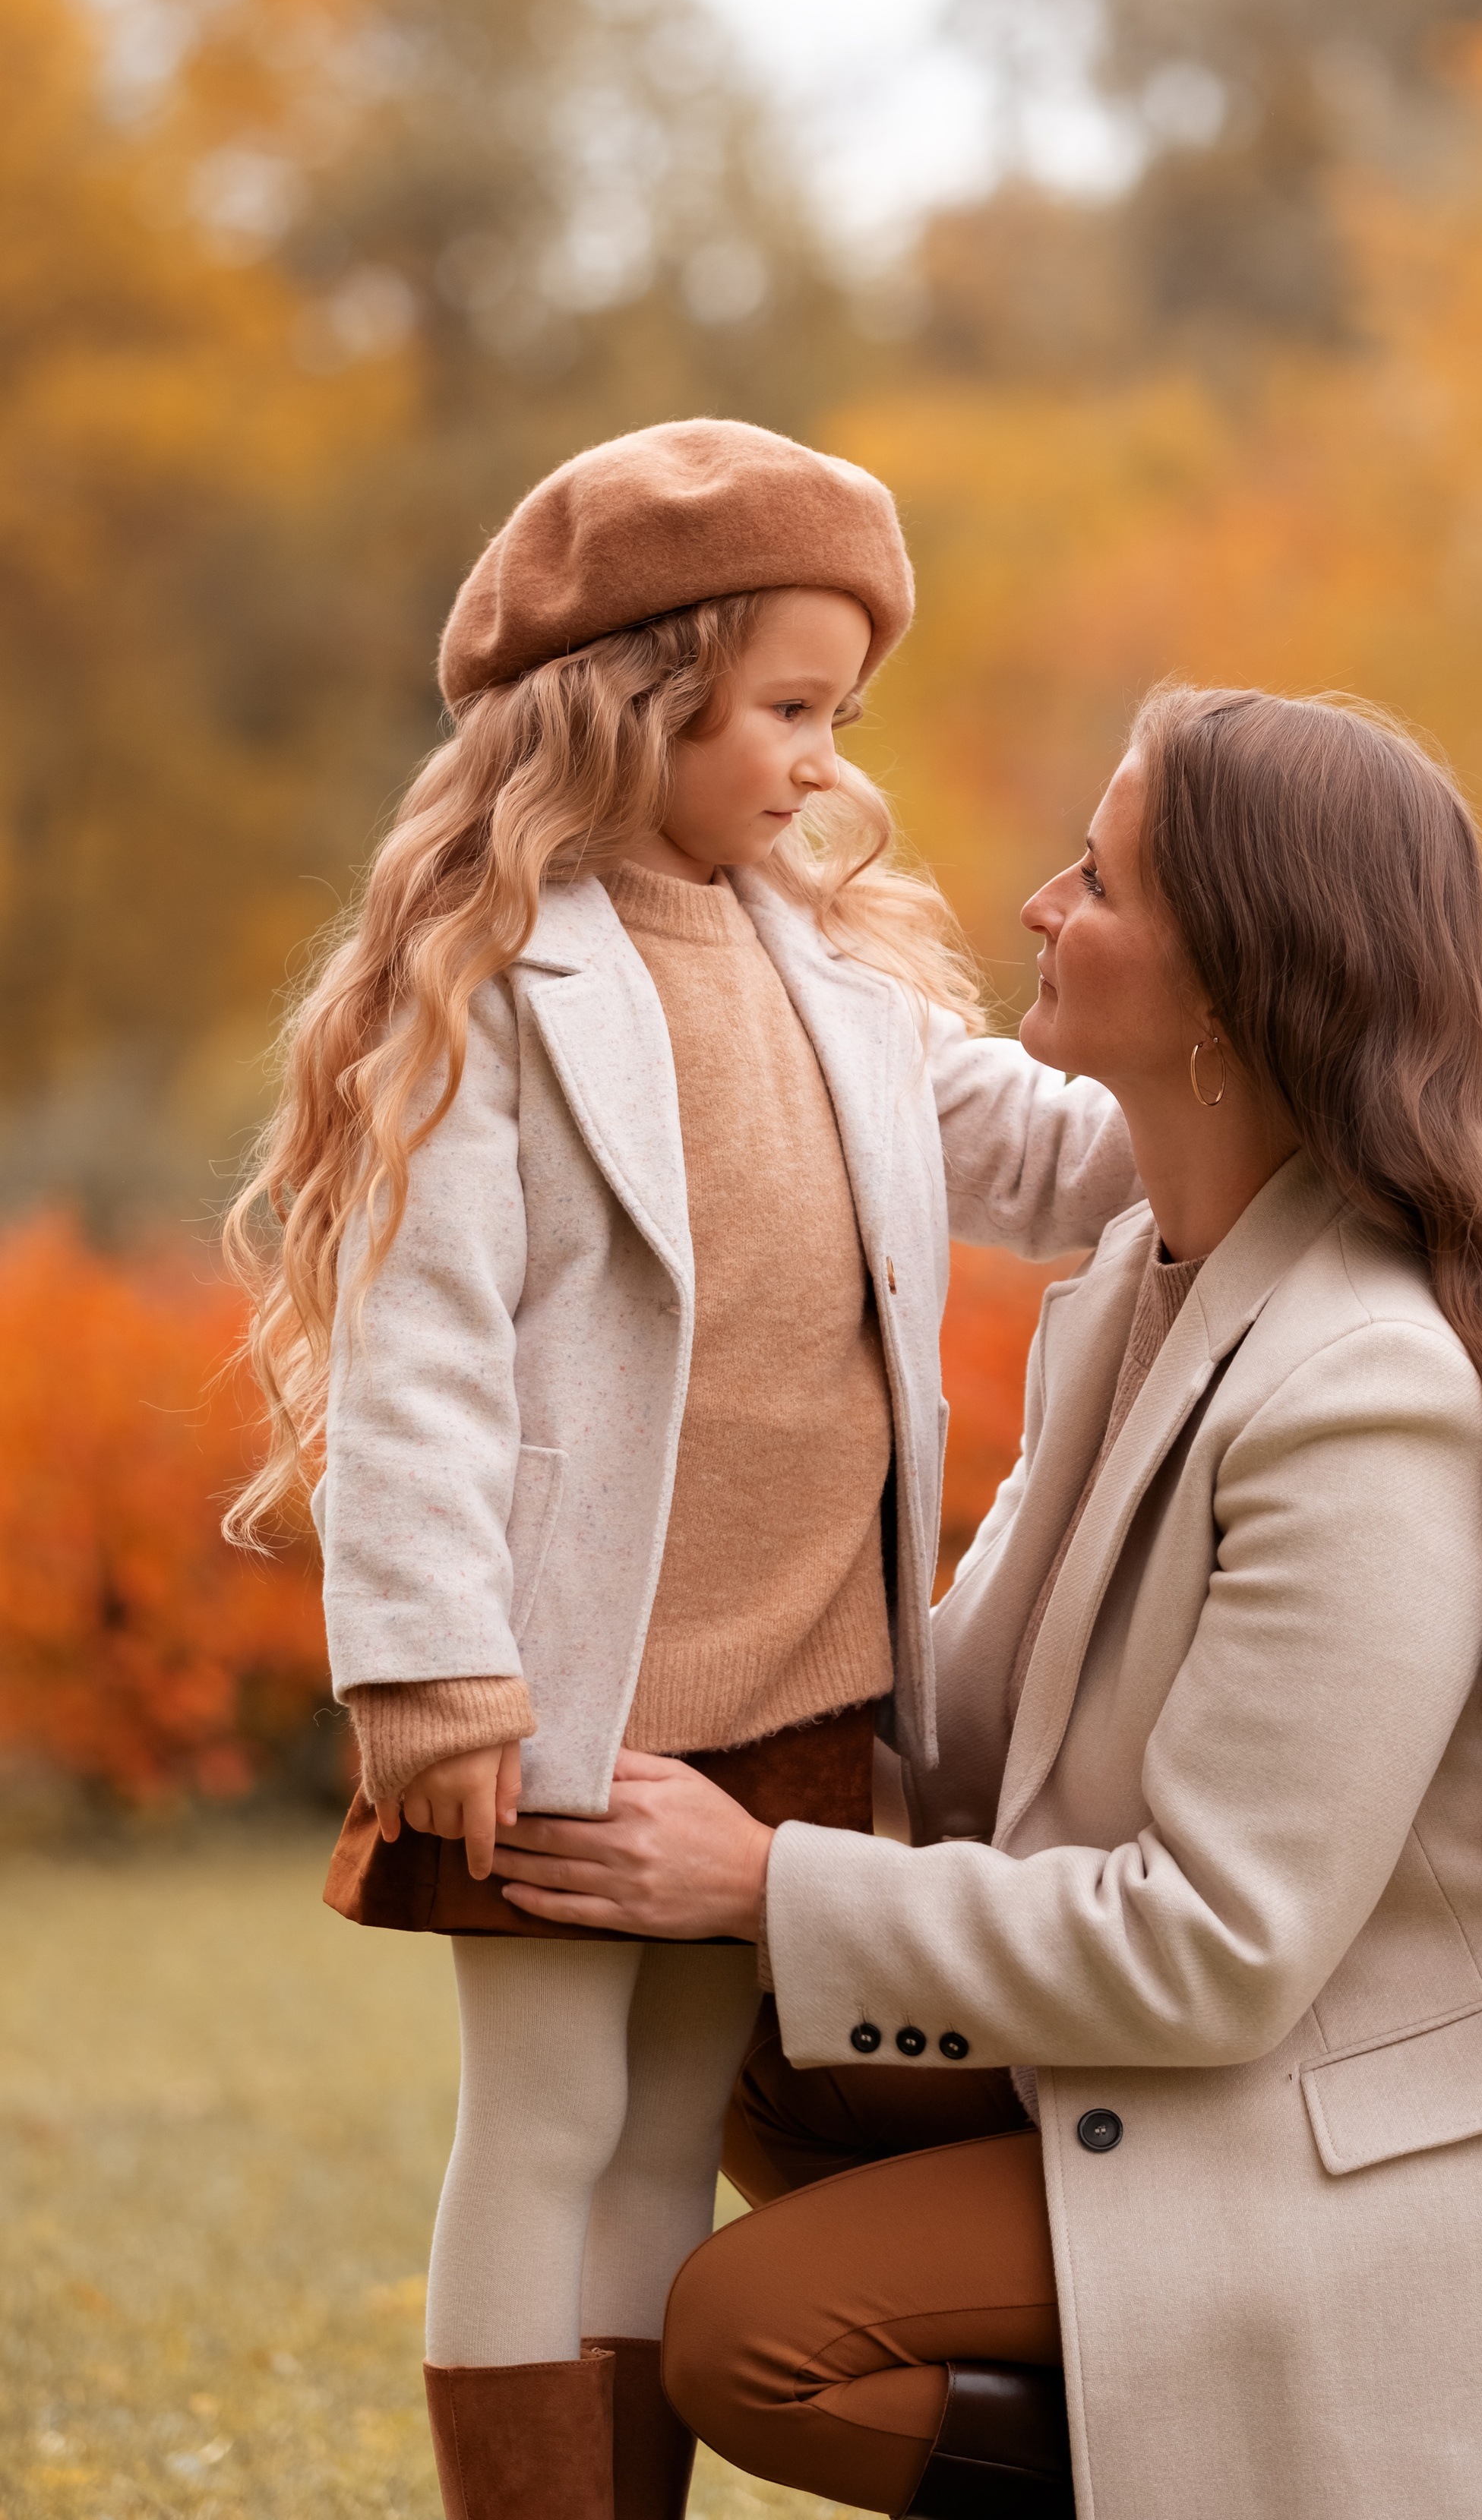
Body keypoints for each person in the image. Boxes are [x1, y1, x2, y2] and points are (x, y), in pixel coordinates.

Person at [494, 684, 1482, 2520]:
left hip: (1439, 2151)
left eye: (1099, 880)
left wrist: (756, 1882)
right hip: (1283, 2062)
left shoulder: (1364, 1383)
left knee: (757, 2326)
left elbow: (1215, 1943)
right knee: (761, 2069)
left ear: (1232, 981)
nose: (1038, 908)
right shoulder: (1150, 1288)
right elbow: (977, 1745)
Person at [223, 419, 1136, 2520]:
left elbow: (1036, 1149)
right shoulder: (491, 981)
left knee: (659, 2129)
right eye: (791, 710)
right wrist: (433, 1668)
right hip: (566, 1689)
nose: (822, 760)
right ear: (638, 697)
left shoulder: (833, 971)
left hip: (794, 1683)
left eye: (843, 716)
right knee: (542, 2124)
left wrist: (1258, 1101)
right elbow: (420, 1346)